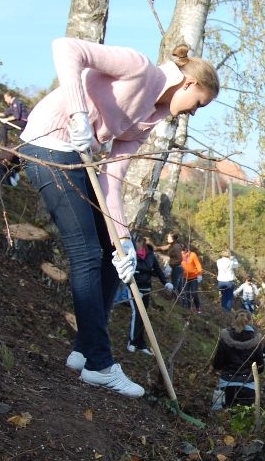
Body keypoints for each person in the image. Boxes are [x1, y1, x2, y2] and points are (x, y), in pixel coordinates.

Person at [19, 36, 218, 398]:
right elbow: (66, 48)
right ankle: (99, 364)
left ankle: (83, 350)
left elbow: (114, 178)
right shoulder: (139, 68)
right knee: (86, 255)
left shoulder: (147, 120)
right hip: (48, 146)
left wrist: (123, 239)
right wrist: (79, 113)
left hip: (77, 160)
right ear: (189, 83)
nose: (192, 112)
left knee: (113, 258)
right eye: (198, 103)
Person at [126, 237, 172, 355]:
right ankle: (132, 342)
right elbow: (126, 272)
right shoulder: (130, 254)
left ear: (142, 244)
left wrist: (165, 282)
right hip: (134, 288)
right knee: (137, 313)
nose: (136, 245)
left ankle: (140, 343)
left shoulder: (151, 256)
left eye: (137, 243)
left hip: (146, 289)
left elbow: (157, 270)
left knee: (143, 315)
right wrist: (132, 287)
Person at [210, 310, 265, 410]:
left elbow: (217, 364)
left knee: (222, 420)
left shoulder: (225, 337)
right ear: (250, 321)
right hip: (248, 386)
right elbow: (260, 368)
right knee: (243, 422)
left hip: (226, 385)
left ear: (234, 320)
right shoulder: (256, 340)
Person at [0, 91, 30, 186]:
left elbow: (16, 116)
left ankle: (4, 144)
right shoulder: (12, 106)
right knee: (21, 142)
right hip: (22, 124)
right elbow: (4, 114)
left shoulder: (16, 102)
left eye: (5, 98)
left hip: (23, 122)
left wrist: (6, 120)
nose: (5, 100)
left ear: (10, 97)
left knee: (4, 126)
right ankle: (15, 173)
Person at [179, 244, 203, 312]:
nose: (182, 252)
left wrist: (199, 274)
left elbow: (198, 265)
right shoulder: (180, 255)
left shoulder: (193, 255)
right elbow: (177, 263)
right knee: (186, 293)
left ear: (186, 249)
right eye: (181, 251)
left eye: (183, 250)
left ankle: (198, 307)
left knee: (194, 293)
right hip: (184, 277)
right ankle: (188, 309)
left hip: (194, 277)